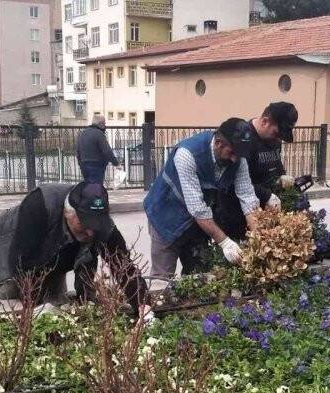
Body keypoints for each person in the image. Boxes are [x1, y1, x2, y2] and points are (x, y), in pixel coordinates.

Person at [0, 181, 150, 317]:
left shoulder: (104, 227)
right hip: (11, 259)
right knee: (15, 312)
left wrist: (143, 305)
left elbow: (124, 267)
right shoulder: (39, 204)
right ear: (68, 213)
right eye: (85, 223)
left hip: (55, 259)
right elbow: (20, 263)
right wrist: (35, 309)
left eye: (96, 224)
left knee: (56, 305)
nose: (90, 232)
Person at [144, 118, 261, 280]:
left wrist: (259, 238)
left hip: (197, 224)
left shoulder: (238, 160)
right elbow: (198, 209)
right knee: (162, 280)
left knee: (200, 277)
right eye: (232, 153)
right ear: (218, 143)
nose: (235, 159)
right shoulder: (187, 154)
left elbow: (248, 198)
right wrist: (225, 242)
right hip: (166, 218)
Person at [214, 102, 299, 240]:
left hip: (265, 209)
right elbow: (236, 182)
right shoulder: (244, 140)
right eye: (277, 133)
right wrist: (267, 195)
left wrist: (281, 177)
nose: (278, 138)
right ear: (265, 122)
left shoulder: (274, 141)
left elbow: (276, 165)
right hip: (238, 215)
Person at [75, 114, 119, 184]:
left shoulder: (82, 133)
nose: (105, 126)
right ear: (100, 124)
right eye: (104, 123)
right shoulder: (99, 134)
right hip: (97, 165)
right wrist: (116, 163)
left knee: (88, 186)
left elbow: (78, 151)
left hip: (84, 165)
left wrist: (80, 164)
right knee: (96, 187)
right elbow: (107, 151)